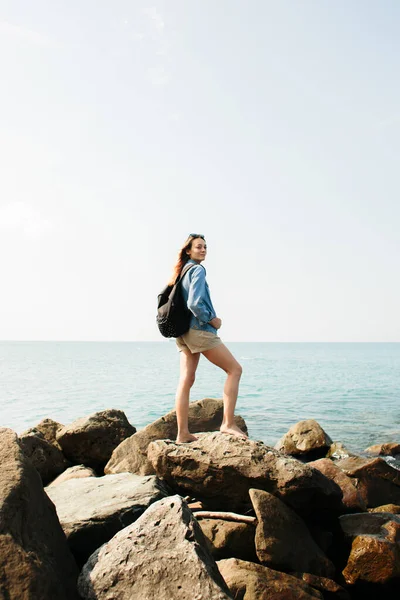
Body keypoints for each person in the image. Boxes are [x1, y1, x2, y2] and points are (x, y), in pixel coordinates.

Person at [170, 233, 247, 443]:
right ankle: (228, 424)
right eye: (198, 247)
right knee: (235, 370)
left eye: (205, 247)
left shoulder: (181, 271)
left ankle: (182, 434)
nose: (203, 250)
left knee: (186, 380)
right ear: (188, 250)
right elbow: (195, 303)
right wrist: (212, 319)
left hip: (182, 333)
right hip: (199, 330)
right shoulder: (197, 270)